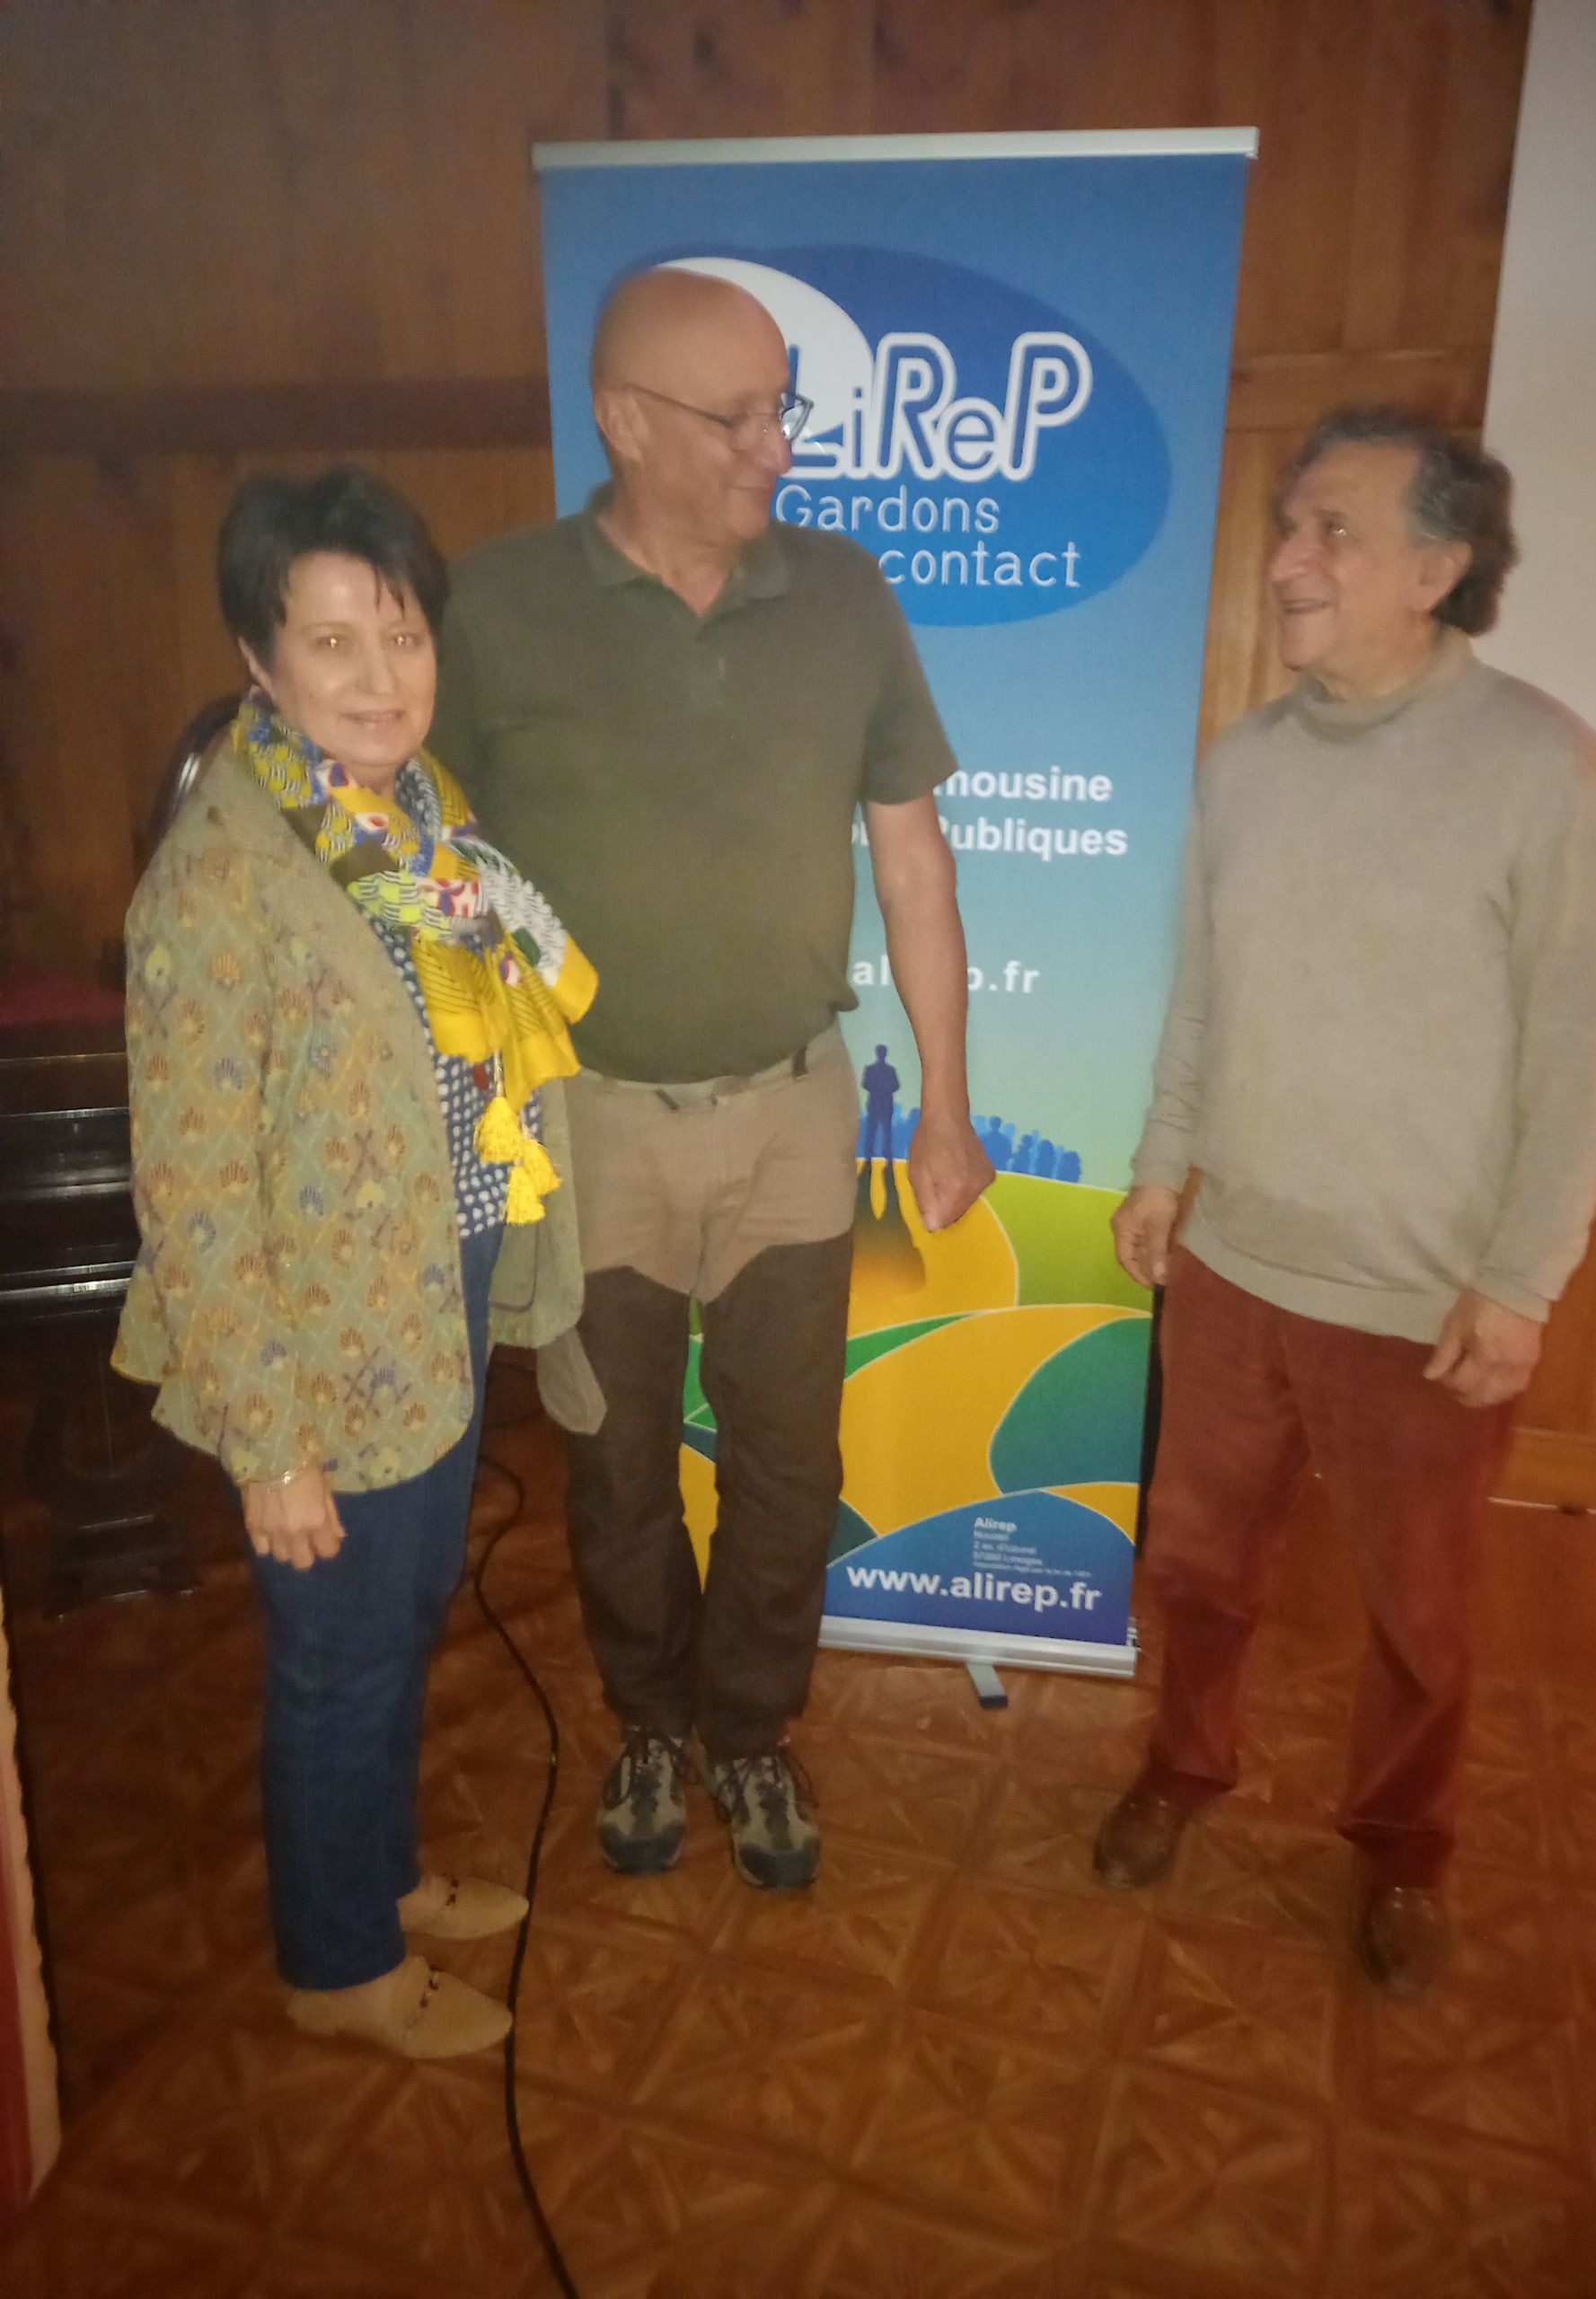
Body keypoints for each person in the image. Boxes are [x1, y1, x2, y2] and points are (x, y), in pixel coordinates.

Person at [431, 266, 993, 1890]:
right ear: (623, 419)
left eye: (781, 409)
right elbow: (424, 868)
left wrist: (947, 1102)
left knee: (787, 1466)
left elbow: (914, 864)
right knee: (612, 1466)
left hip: (794, 1113)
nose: (778, 447)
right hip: (588, 1124)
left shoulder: (844, 595)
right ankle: (648, 1723)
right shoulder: (494, 608)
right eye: (738, 416)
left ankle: (749, 1733)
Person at [1098, 406, 1596, 1994]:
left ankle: (1404, 1852)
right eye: (1290, 525)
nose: (1289, 558)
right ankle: (1182, 1769)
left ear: (1438, 568)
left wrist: (1521, 1280)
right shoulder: (1245, 768)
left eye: (1334, 529)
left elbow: (1586, 1050)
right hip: (1234, 1269)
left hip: (1422, 1300)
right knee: (1197, 1571)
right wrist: (1160, 1168)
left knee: (1418, 1617)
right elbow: (1202, 996)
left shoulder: (1548, 768)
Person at [115, 468, 601, 2056]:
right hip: (315, 1346)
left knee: (401, 1620)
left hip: (432, 1291)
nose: (380, 676)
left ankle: (378, 1876)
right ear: (258, 661)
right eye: (331, 642)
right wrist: (269, 1446)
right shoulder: (222, 875)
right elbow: (193, 1191)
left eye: (402, 633)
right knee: (334, 1657)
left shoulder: (418, 810)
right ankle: (337, 1970)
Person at [860, 1044, 900, 1167]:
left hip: (876, 1104)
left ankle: (869, 1157)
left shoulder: (870, 1069)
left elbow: (865, 1084)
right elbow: (896, 1086)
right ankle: (886, 1158)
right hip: (885, 1104)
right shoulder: (890, 1070)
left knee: (874, 1132)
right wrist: (885, 1089)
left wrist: (877, 1089)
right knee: (884, 1133)